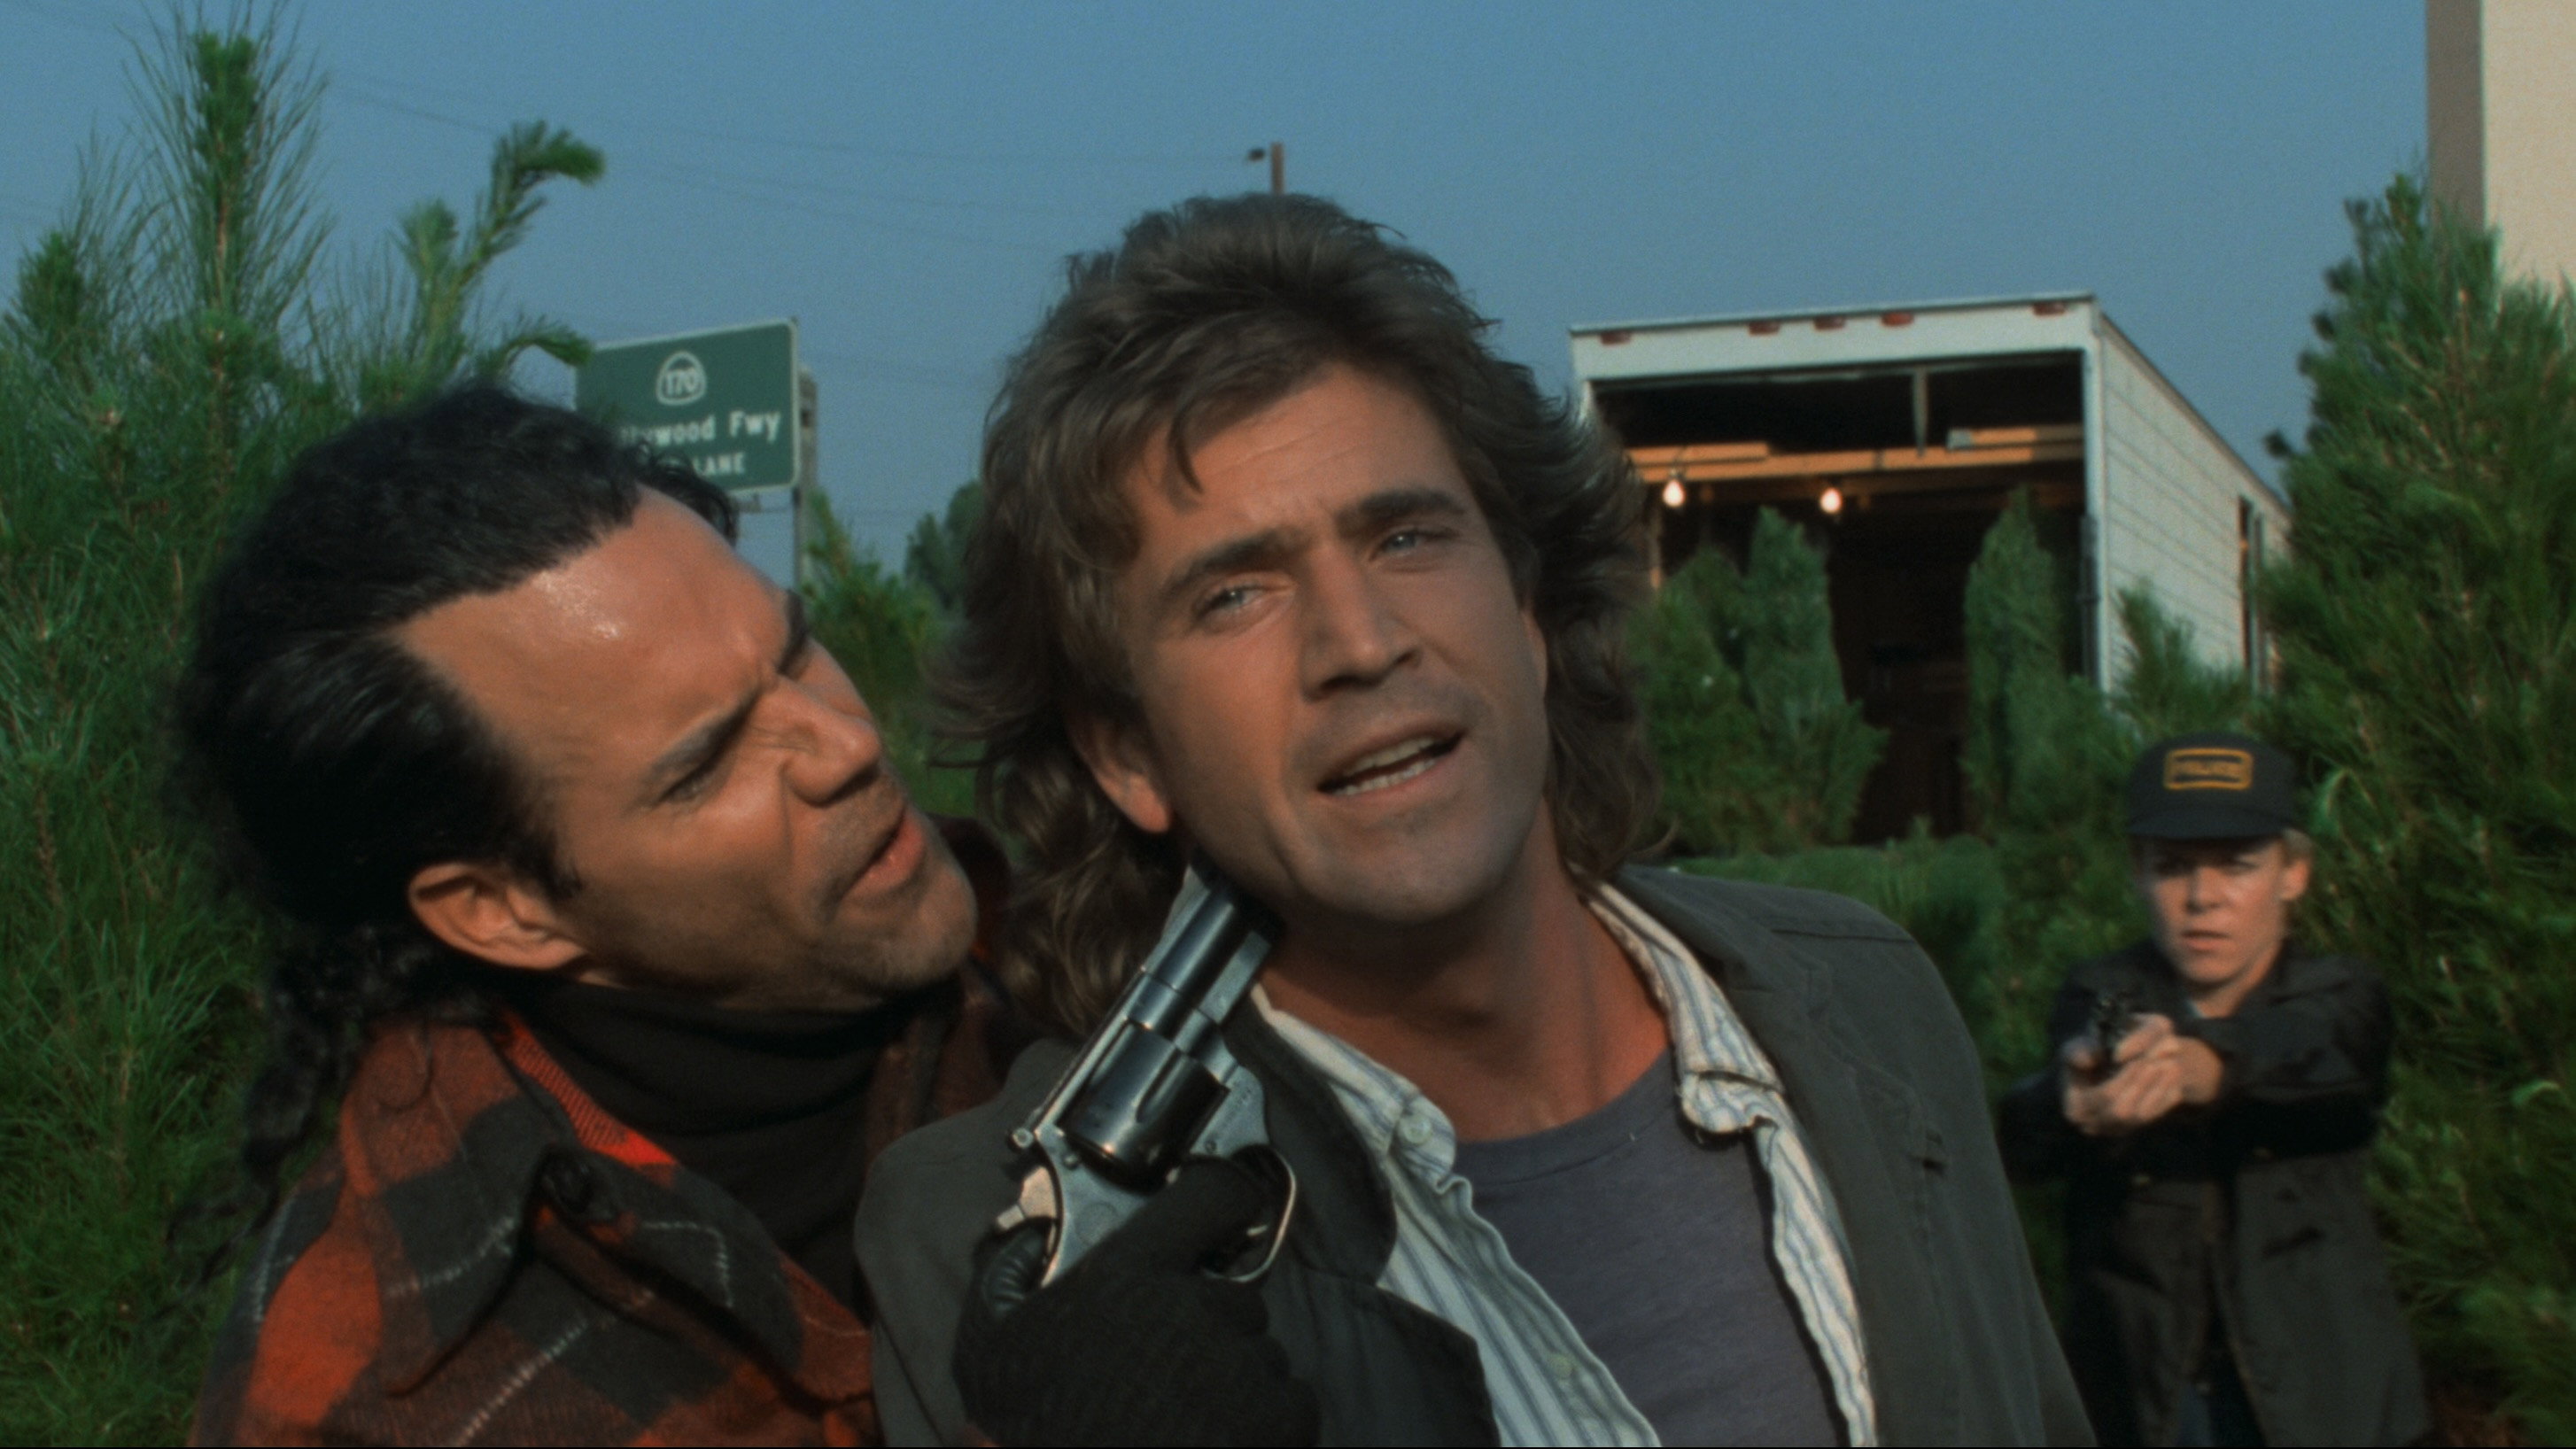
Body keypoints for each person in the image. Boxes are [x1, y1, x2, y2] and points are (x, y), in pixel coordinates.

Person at [856, 192, 2089, 1446]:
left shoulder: (1870, 1004)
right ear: (1125, 752)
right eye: (1233, 595)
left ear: (1530, 610)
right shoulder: (1013, 1260)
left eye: (1405, 536)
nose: (1361, 641)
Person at [176, 388, 1020, 1445]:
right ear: (501, 910)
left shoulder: (1079, 954)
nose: (845, 742)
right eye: (709, 761)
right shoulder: (380, 1404)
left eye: (796, 650)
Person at [1998, 732, 2428, 1447]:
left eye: (2237, 866)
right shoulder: (2100, 990)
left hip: (2327, 1403)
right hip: (2145, 1404)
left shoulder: (2341, 993)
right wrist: (2070, 1102)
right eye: (2172, 867)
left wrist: (2200, 1067)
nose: (2203, 898)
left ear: (2294, 873)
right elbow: (2023, 1136)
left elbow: (2316, 1050)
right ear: (2136, 872)